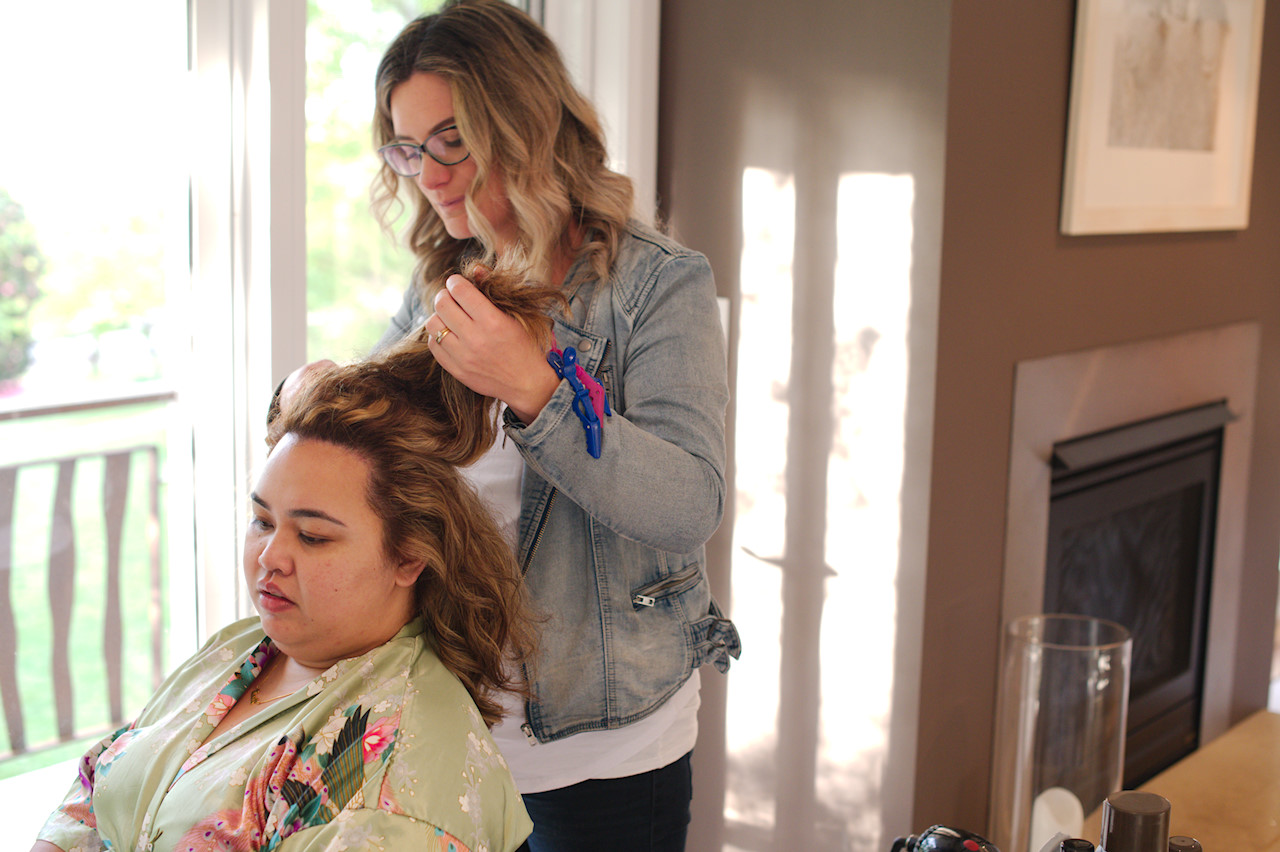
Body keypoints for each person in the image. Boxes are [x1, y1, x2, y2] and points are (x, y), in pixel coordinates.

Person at [340, 2, 743, 848]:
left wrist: (536, 390)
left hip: (605, 754)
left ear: (523, 123)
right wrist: (318, 396)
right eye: (408, 150)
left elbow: (690, 504)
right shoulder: (445, 280)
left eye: (452, 141)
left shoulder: (656, 286)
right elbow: (379, 439)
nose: (429, 176)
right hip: (456, 735)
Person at [30, 306, 554, 852]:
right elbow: (98, 787)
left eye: (312, 536)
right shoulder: (238, 649)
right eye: (262, 521)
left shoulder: (389, 774)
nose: (270, 556)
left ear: (409, 557)